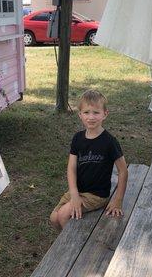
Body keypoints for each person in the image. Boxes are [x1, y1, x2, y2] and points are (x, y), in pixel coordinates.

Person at [50, 90, 128, 231]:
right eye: (86, 112)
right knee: (54, 218)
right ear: (80, 115)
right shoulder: (77, 138)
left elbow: (123, 171)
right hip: (78, 190)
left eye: (96, 112)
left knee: (62, 216)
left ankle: (73, 247)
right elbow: (71, 168)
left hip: (96, 195)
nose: (91, 117)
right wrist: (74, 194)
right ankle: (65, 241)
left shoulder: (110, 142)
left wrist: (118, 200)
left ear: (105, 114)